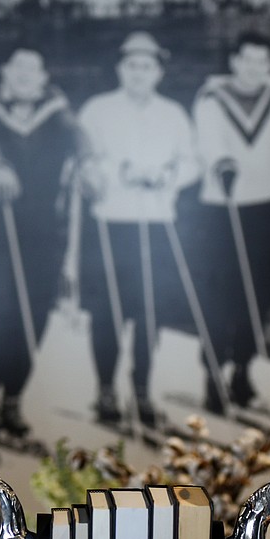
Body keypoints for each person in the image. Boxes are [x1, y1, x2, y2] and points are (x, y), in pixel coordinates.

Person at [77, 32, 200, 427]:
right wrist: (124, 172)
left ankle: (143, 390)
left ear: (158, 72)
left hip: (157, 222)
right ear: (120, 69)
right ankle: (106, 390)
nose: (139, 73)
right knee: (107, 312)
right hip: (111, 223)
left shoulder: (173, 114)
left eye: (147, 66)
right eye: (131, 65)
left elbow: (191, 163)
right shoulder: (97, 110)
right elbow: (87, 162)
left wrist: (167, 176)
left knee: (149, 312)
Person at [0, 47, 88, 439]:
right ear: (4, 71)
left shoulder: (55, 108)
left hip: (42, 232)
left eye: (32, 69)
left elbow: (78, 135)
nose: (23, 75)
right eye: (16, 66)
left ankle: (13, 400)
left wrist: (89, 161)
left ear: (42, 76)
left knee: (33, 316)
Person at [191, 30, 270, 412]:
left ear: (269, 65)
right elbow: (209, 143)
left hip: (264, 206)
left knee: (259, 291)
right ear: (234, 61)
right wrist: (222, 162)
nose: (254, 68)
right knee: (220, 292)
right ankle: (212, 373)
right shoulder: (211, 98)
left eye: (262, 61)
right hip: (221, 208)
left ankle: (242, 369)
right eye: (247, 60)